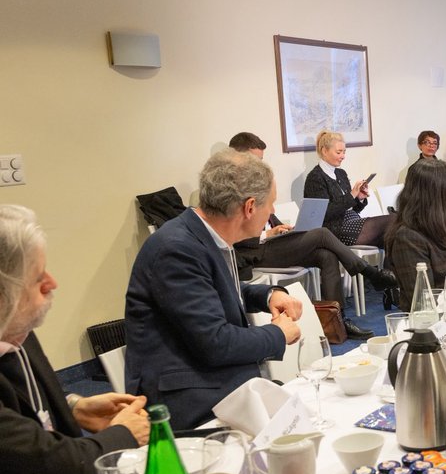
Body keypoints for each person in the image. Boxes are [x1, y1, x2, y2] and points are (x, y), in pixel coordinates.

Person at [126, 150, 303, 431]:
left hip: (216, 382)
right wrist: (278, 334)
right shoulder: (176, 248)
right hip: (191, 402)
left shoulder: (201, 235)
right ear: (249, 207)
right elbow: (216, 343)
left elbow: (214, 290)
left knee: (303, 417)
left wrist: (268, 295)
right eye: (270, 204)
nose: (272, 212)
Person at [0, 206, 149, 474]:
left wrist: (74, 406)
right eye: (37, 278)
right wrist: (123, 435)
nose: (52, 283)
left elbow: (22, 408)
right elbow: (51, 466)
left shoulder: (17, 329)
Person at [228, 133, 396, 339]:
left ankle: (337, 320)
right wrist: (265, 234)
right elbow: (232, 235)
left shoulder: (255, 183)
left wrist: (280, 227)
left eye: (261, 160)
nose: (259, 166)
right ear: (236, 157)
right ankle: (371, 273)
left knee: (326, 255)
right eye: (255, 160)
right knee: (322, 234)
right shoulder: (229, 189)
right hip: (254, 251)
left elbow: (268, 215)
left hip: (272, 242)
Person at [385, 158, 446, 306]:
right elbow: (423, 302)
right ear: (437, 195)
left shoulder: (444, 226)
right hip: (439, 322)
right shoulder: (408, 238)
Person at [303, 129, 391, 247]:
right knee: (393, 220)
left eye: (344, 152)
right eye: (339, 152)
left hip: (352, 221)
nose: (343, 156)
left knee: (390, 236)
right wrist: (351, 195)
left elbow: (352, 208)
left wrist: (359, 198)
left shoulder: (341, 173)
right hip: (333, 230)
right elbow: (323, 213)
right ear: (324, 151)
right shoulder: (315, 178)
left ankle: (392, 265)